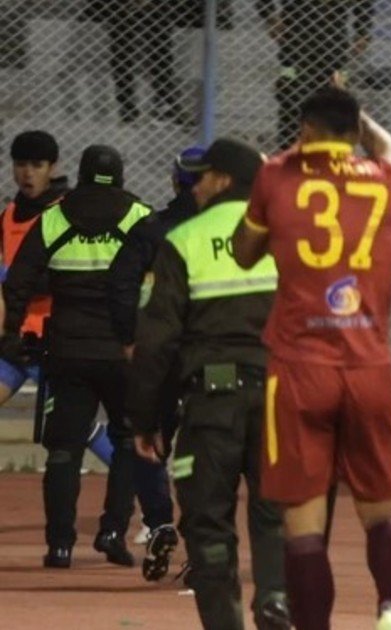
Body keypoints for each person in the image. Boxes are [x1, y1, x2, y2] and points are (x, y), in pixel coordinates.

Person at [231, 86, 391, 630]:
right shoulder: (384, 180)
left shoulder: (276, 176)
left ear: (305, 130)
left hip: (299, 367)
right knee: (380, 509)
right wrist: (368, 125)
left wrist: (284, 163)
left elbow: (244, 254)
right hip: (368, 365)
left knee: (303, 522)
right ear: (356, 133)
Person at [129, 138, 288, 629]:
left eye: (202, 177)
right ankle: (276, 598)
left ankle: (225, 621)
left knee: (208, 517)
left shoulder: (185, 240)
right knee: (276, 509)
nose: (194, 187)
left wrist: (148, 419)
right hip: (282, 399)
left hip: (213, 400)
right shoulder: (288, 236)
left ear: (222, 180)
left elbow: (156, 342)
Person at [2, 145, 151, 568]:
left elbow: (17, 284)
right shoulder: (140, 218)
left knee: (63, 451)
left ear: (80, 176)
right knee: (125, 444)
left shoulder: (55, 217)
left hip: (66, 350)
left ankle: (60, 546)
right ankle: (112, 533)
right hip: (124, 352)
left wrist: (11, 337)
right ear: (120, 176)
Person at [108, 145, 207, 578]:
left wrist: (129, 339)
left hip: (157, 355)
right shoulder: (224, 233)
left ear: (174, 181)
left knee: (146, 439)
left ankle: (160, 520)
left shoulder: (150, 230)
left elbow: (120, 285)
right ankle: (201, 543)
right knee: (206, 454)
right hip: (207, 358)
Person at [254, 0, 376, 150]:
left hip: (335, 46)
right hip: (294, 46)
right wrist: (270, 16)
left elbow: (365, 5)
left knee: (340, 92)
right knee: (289, 88)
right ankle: (289, 148)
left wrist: (362, 31)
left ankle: (333, 147)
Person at [84, 0, 186, 124]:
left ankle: (165, 102)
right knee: (122, 54)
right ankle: (127, 106)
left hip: (156, 7)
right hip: (121, 7)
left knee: (160, 54)